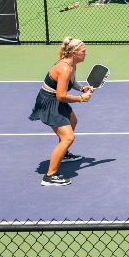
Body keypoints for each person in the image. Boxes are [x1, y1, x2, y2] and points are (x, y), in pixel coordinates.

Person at [28, 37, 94, 186]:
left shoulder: (71, 64)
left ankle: (63, 154)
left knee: (72, 121)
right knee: (68, 138)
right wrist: (81, 98)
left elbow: (71, 81)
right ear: (74, 53)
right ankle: (50, 176)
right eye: (83, 51)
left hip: (55, 100)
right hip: (50, 102)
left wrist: (81, 88)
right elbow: (61, 96)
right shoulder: (64, 68)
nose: (86, 53)